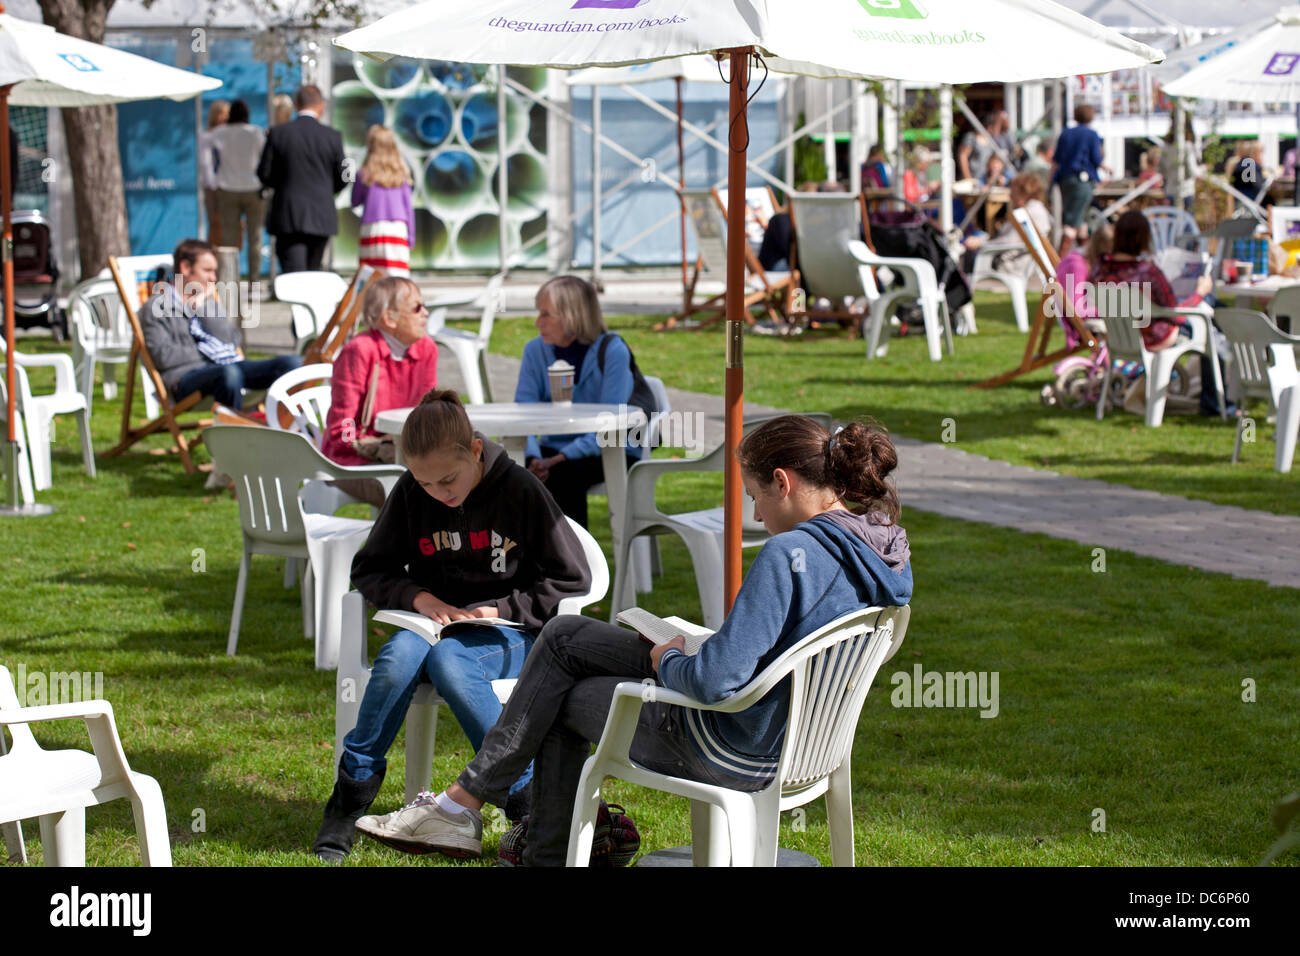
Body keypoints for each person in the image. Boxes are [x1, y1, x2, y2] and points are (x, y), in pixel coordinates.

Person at [350, 414, 913, 866]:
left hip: (731, 744)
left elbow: (715, 682)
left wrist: (669, 657)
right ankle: (465, 807)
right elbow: (771, 651)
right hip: (800, 740)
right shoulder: (880, 550)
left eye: (756, 497)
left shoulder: (790, 555)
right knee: (566, 636)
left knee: (556, 697)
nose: (757, 514)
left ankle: (488, 823)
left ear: (784, 482)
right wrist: (694, 648)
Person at [312, 388, 592, 863]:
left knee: (450, 661)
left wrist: (500, 610)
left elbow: (572, 576)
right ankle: (350, 797)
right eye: (424, 483)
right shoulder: (411, 493)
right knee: (397, 658)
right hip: (430, 626)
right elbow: (369, 570)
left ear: (476, 451)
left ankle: (526, 802)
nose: (439, 493)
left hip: (511, 634)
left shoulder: (520, 489)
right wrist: (416, 596)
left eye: (448, 479)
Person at [514, 275, 642, 529]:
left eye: (545, 314)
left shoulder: (613, 350)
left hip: (610, 447)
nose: (537, 322)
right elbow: (523, 412)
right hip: (551, 449)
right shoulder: (535, 350)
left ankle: (574, 562)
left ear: (572, 315)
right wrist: (532, 455)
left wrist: (560, 458)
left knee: (563, 478)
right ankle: (522, 562)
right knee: (509, 473)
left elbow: (610, 426)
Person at [1089, 210, 1229, 416]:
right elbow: (1177, 315)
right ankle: (1215, 404)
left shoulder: (1100, 270)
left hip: (1121, 338)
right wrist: (1200, 292)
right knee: (1210, 329)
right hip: (1156, 335)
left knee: (1211, 309)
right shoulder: (1149, 272)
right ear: (1144, 238)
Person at [139, 238, 300, 412]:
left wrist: (202, 307)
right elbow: (163, 356)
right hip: (185, 378)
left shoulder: (206, 302)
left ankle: (294, 431)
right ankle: (232, 436)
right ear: (186, 267)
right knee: (230, 373)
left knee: (293, 364)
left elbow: (232, 340)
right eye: (207, 270)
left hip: (228, 366)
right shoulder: (156, 307)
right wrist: (210, 350)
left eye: (214, 271)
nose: (213, 278)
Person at [322, 275, 438, 470]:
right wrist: (372, 445)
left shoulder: (426, 348)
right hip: (351, 460)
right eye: (417, 307)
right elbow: (342, 430)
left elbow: (428, 411)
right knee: (425, 487)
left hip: (408, 452)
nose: (425, 313)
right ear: (389, 318)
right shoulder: (360, 350)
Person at [257, 85, 348, 274]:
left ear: (296, 104)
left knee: (294, 274)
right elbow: (346, 175)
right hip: (322, 214)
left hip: (288, 214)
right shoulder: (333, 136)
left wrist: (284, 185)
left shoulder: (278, 134)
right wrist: (327, 189)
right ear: (321, 106)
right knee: (313, 273)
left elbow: (264, 173)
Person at [209, 100, 267, 284]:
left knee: (229, 241)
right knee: (255, 239)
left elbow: (211, 160)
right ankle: (254, 282)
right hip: (252, 188)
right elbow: (263, 156)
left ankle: (230, 282)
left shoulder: (220, 133)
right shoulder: (255, 132)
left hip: (228, 189)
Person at [351, 125, 416, 277]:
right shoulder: (402, 174)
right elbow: (408, 209)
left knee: (370, 279)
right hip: (397, 230)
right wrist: (411, 237)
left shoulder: (364, 174)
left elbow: (354, 201)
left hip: (372, 229)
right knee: (397, 279)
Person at [1052, 104, 1108, 256]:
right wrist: (1106, 168)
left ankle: (1086, 257)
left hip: (1065, 180)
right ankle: (1059, 261)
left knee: (1080, 219)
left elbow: (1056, 160)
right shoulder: (1091, 135)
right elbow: (1096, 159)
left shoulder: (1066, 133)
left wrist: (1050, 182)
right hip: (1081, 181)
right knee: (1073, 220)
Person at [1053, 223, 1113, 348]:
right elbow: (1077, 308)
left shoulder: (1084, 261)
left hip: (1086, 312)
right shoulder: (1077, 265)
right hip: (1078, 320)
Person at [200, 100, 229, 248]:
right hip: (213, 188)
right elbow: (206, 163)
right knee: (215, 225)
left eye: (227, 114)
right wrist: (213, 185)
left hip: (228, 187)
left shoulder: (231, 135)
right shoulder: (208, 136)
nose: (225, 118)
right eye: (222, 115)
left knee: (229, 227)